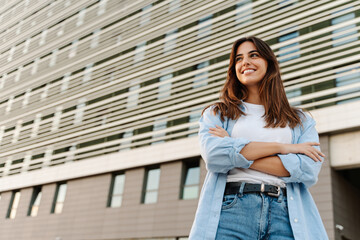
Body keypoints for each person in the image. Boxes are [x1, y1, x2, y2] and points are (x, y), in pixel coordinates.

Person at [189, 36, 328, 239]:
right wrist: (284, 148)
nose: (245, 62)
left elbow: (307, 170)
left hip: (286, 215)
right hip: (232, 211)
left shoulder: (300, 120)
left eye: (253, 55)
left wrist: (234, 149)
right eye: (238, 58)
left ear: (269, 64)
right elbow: (214, 156)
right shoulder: (217, 113)